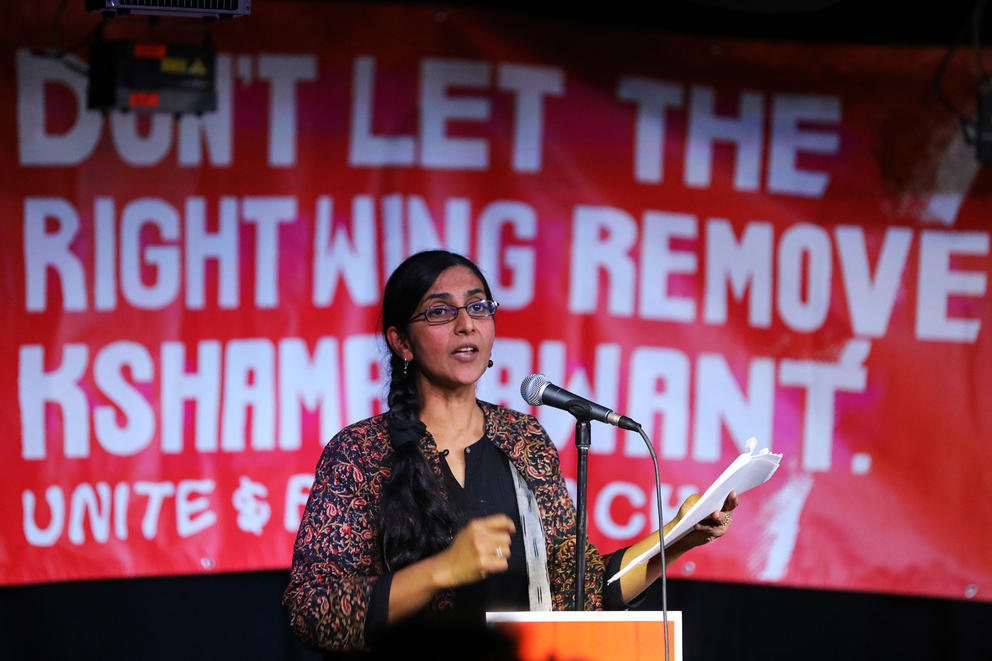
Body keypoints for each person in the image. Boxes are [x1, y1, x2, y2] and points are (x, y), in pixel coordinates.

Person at [283, 250, 738, 654]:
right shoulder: (360, 453)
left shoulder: (524, 442)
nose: (467, 324)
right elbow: (312, 612)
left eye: (479, 307)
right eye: (440, 312)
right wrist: (443, 570)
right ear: (401, 341)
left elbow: (575, 592)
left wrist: (679, 535)